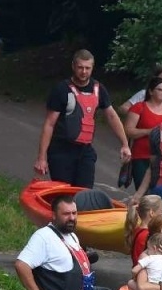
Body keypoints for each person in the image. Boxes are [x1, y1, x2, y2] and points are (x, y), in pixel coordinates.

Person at [34, 50, 131, 188]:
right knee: (64, 194)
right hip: (61, 151)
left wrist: (125, 144)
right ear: (73, 66)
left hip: (85, 151)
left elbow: (111, 116)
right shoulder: (61, 89)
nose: (84, 72)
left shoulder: (99, 89)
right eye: (80, 67)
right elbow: (49, 124)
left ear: (92, 68)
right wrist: (41, 158)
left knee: (84, 194)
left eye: (87, 68)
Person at [124, 74, 162, 192]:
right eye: (160, 89)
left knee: (159, 193)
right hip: (141, 157)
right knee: (143, 193)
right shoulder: (139, 107)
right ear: (151, 91)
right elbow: (128, 131)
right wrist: (150, 131)